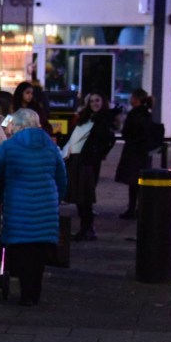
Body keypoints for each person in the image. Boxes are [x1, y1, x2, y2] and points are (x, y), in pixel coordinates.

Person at [0, 110, 68, 306]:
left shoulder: (8, 147)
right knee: (39, 252)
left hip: (18, 204)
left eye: (13, 125)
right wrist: (56, 199)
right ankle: (34, 292)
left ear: (19, 126)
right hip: (45, 204)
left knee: (22, 250)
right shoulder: (50, 146)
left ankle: (26, 293)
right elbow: (61, 176)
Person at [63, 92, 117, 241]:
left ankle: (87, 227)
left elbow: (108, 140)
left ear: (103, 102)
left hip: (88, 161)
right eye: (92, 101)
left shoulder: (103, 119)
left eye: (97, 100)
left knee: (85, 196)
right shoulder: (86, 117)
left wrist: (98, 153)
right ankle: (86, 227)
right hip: (77, 159)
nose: (94, 104)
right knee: (80, 195)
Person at [114, 89, 155, 219]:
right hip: (142, 152)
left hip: (133, 152)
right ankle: (139, 208)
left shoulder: (134, 114)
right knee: (139, 183)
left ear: (136, 99)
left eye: (132, 97)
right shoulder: (146, 113)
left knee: (133, 183)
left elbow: (127, 132)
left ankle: (132, 209)